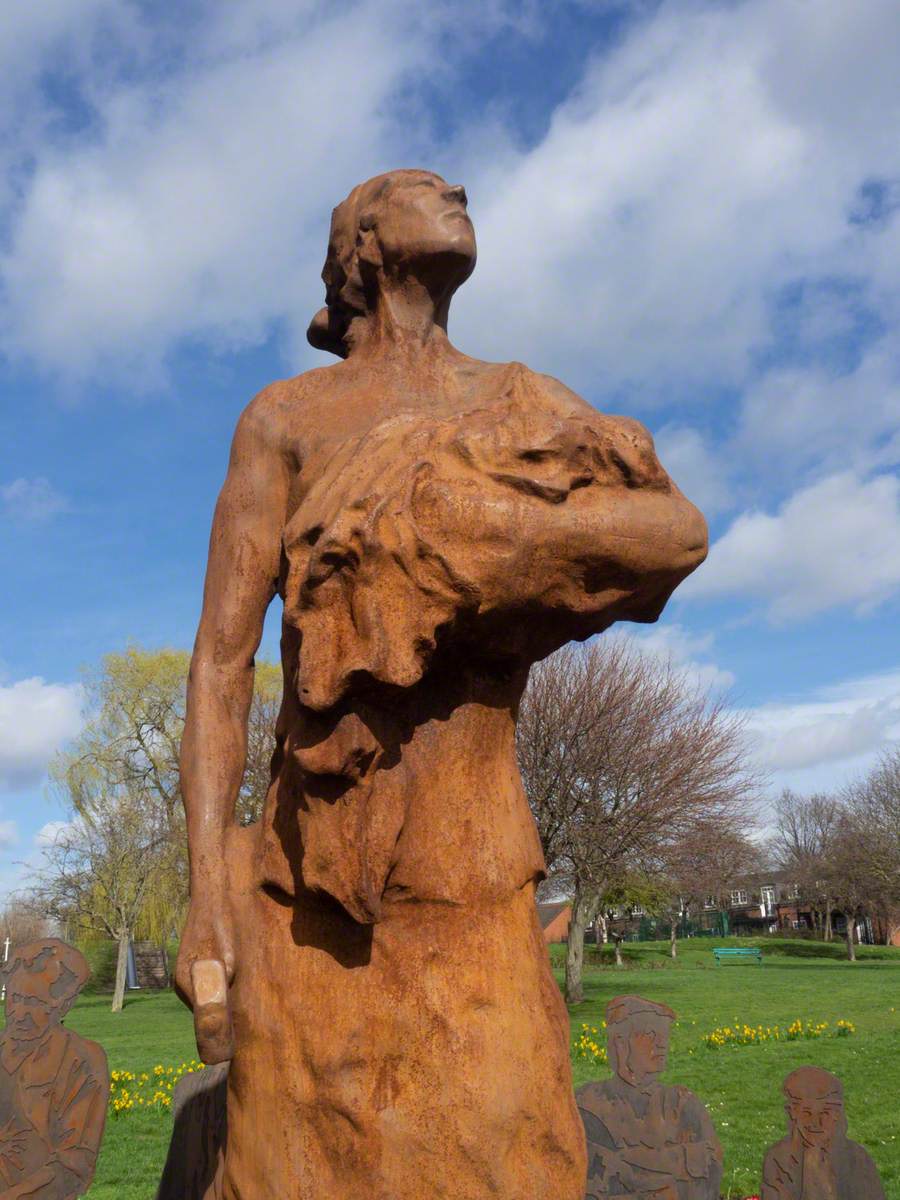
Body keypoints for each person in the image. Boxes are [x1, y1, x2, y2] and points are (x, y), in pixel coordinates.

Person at [173, 169, 708, 1199]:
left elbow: (672, 531)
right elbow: (219, 663)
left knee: (511, 1160)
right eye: (424, 187)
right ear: (364, 243)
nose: (458, 189)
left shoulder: (521, 400)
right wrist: (208, 890)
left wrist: (455, 533)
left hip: (475, 879)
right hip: (307, 894)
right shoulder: (285, 418)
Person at [576, 995, 722, 1199]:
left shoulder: (682, 1104)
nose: (662, 1044)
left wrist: (629, 1161)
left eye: (665, 1035)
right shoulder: (587, 1104)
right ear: (620, 1042)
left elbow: (710, 1171)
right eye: (651, 1033)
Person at [0, 939, 108, 1199]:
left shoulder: (81, 1060)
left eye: (36, 1002)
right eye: (15, 999)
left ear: (64, 1005)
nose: (20, 1013)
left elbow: (74, 1164)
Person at [762, 1067, 885, 1200]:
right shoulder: (779, 1158)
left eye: (824, 1113)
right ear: (793, 1114)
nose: (816, 1123)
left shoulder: (857, 1157)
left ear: (837, 1115)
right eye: (807, 1113)